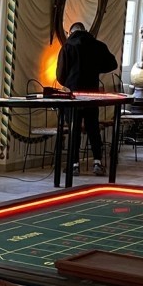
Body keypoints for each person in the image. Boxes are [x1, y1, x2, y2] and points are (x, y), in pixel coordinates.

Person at [55, 21, 119, 175]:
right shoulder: (97, 45)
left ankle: (74, 165)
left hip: (74, 94)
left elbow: (60, 75)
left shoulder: (68, 46)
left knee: (74, 128)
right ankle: (97, 162)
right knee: (93, 128)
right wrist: (96, 68)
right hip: (92, 94)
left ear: (70, 32)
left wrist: (69, 83)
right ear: (84, 30)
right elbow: (112, 64)